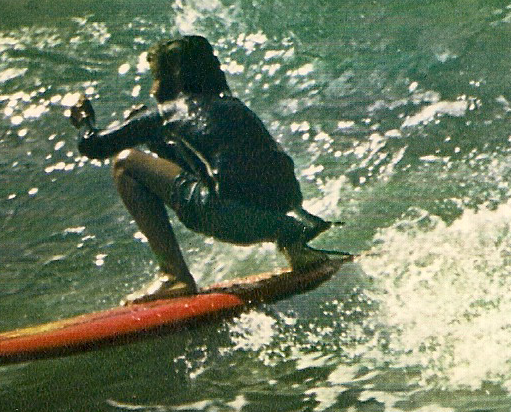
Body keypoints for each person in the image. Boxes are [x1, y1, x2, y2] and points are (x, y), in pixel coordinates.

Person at [69, 35, 339, 303]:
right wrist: (153, 136)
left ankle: (174, 276)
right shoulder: (234, 108)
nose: (152, 90)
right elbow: (206, 173)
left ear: (173, 78)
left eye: (156, 77)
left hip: (229, 219)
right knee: (223, 181)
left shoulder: (170, 111)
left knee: (125, 162)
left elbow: (93, 146)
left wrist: (85, 121)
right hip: (284, 220)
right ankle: (296, 250)